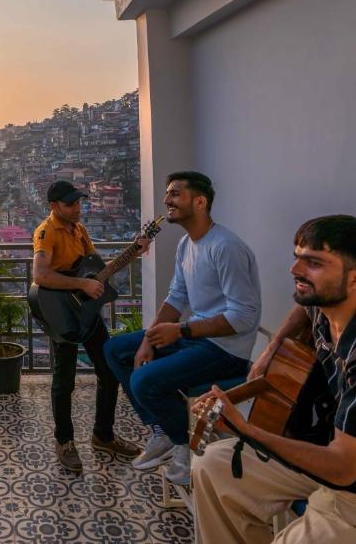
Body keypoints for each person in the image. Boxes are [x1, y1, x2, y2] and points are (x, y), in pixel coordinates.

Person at [193, 215, 356, 543]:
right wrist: (274, 346)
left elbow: (346, 467)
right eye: (298, 258)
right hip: (327, 448)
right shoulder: (327, 306)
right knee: (211, 465)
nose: (295, 271)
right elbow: (305, 309)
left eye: (314, 263)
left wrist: (247, 430)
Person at [103, 171, 261, 486]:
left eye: (175, 194)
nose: (167, 200)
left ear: (200, 202)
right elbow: (177, 296)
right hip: (196, 339)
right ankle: (163, 431)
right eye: (167, 193)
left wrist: (183, 331)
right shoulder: (187, 244)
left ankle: (184, 446)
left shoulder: (226, 247)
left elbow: (244, 317)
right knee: (116, 350)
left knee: (145, 380)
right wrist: (150, 337)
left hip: (225, 349)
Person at [31, 180, 147, 471]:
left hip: (86, 312)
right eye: (70, 204)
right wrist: (81, 283)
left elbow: (96, 268)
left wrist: (134, 250)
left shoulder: (79, 230)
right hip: (61, 312)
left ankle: (103, 434)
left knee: (108, 371)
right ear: (54, 206)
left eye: (79, 202)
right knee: (64, 380)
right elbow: (41, 276)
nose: (77, 208)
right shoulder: (46, 233)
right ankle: (64, 441)